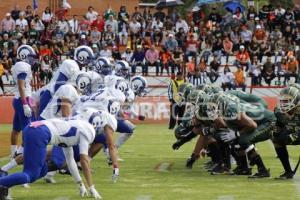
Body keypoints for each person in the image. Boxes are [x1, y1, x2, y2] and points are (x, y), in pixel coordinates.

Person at [0, 108, 117, 200]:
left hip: (33, 128)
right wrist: (91, 187)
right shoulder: (89, 131)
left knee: (43, 170)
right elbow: (84, 160)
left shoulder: (75, 125)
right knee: (30, 175)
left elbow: (70, 161)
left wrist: (80, 184)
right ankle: (2, 184)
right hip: (39, 133)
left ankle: (3, 187)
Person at [10, 45, 37, 158]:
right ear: (24, 55)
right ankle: (23, 152)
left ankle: (14, 153)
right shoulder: (23, 66)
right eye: (30, 56)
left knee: (16, 129)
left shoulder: (19, 65)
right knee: (29, 129)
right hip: (23, 99)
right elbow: (21, 86)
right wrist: (25, 104)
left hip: (19, 99)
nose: (32, 59)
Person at [273, 84, 300, 179]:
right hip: (294, 132)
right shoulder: (279, 112)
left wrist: (296, 135)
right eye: (282, 100)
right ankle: (288, 172)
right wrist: (275, 132)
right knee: (276, 140)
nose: (283, 103)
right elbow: (279, 123)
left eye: (286, 101)